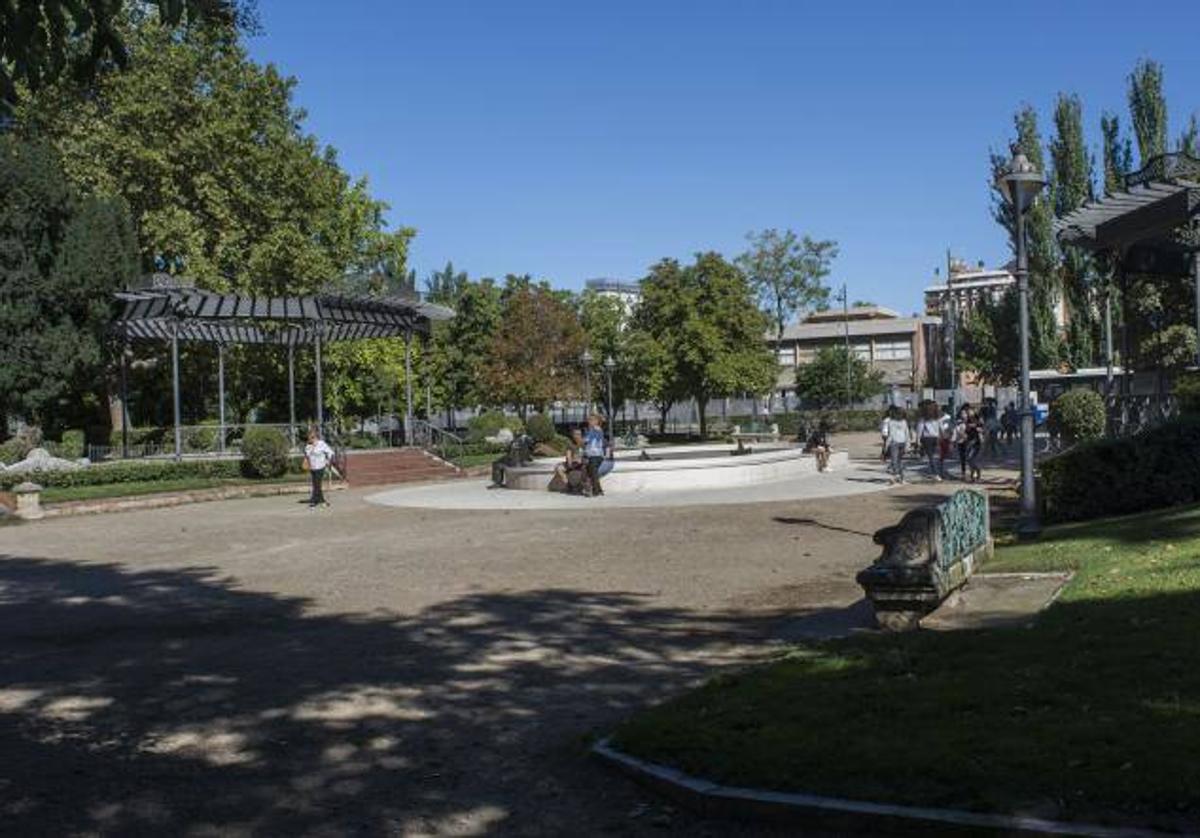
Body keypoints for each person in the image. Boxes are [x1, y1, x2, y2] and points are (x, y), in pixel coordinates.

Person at [304, 428, 335, 508]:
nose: (310, 439)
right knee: (316, 484)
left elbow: (330, 452)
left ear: (315, 437)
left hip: (321, 467)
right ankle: (322, 501)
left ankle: (314, 501)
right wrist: (312, 447)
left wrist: (329, 460)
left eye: (312, 437)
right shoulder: (308, 446)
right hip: (313, 467)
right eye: (309, 438)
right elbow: (307, 455)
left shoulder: (322, 444)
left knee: (317, 484)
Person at [882, 406, 912, 484]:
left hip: (894, 443)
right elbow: (907, 434)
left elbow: (890, 435)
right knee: (899, 461)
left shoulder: (891, 422)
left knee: (894, 460)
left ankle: (896, 475)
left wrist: (886, 446)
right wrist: (908, 444)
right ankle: (901, 478)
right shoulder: (904, 422)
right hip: (903, 442)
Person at [550, 428, 585, 493]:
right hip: (572, 463)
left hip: (581, 463)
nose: (577, 436)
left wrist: (581, 459)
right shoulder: (570, 445)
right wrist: (570, 464)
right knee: (559, 468)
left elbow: (586, 454)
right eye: (576, 434)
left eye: (579, 434)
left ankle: (582, 486)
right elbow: (568, 455)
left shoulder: (584, 444)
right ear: (573, 435)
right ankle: (568, 485)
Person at [916, 403, 943, 482]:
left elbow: (919, 430)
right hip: (936, 438)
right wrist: (943, 436)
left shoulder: (923, 419)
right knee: (935, 456)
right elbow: (941, 428)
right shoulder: (937, 418)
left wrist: (917, 440)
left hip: (927, 438)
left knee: (931, 456)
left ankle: (935, 473)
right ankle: (936, 472)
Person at [583, 414, 607, 497]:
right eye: (589, 420)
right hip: (594, 455)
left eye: (591, 420)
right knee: (593, 473)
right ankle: (599, 490)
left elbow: (586, 440)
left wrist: (582, 439)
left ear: (596, 421)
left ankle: (596, 491)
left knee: (593, 473)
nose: (589, 422)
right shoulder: (594, 429)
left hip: (595, 455)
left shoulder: (595, 429)